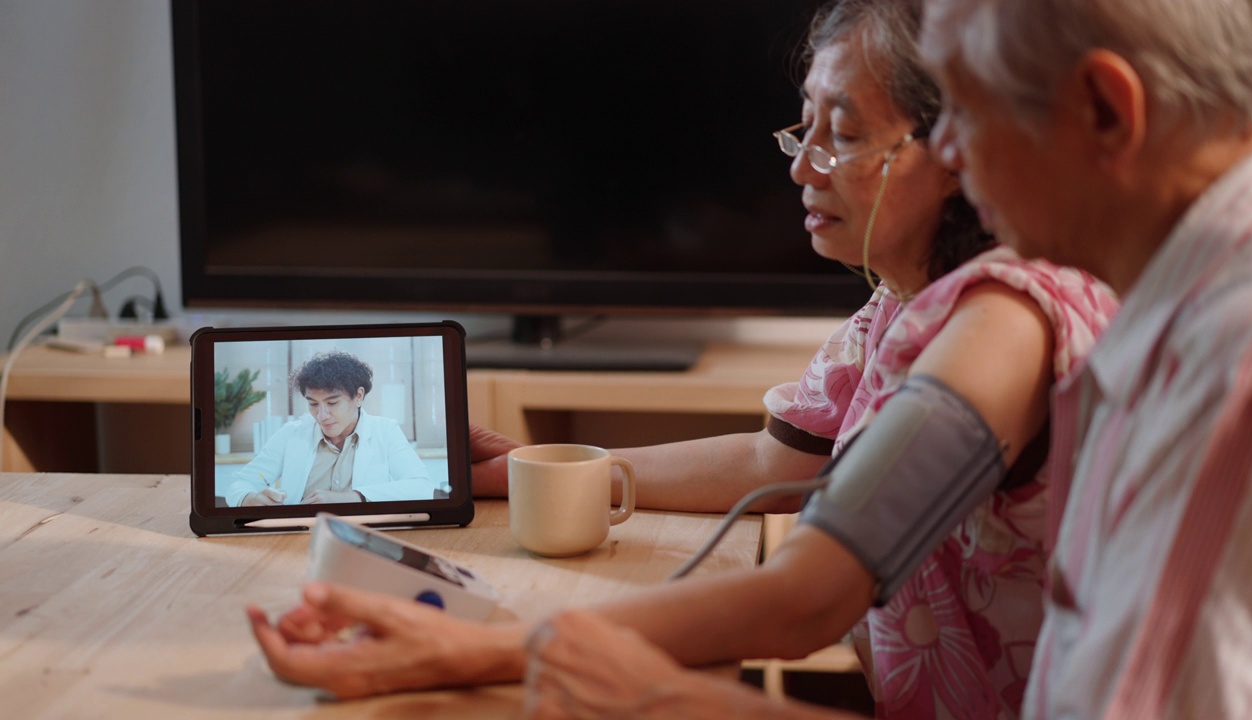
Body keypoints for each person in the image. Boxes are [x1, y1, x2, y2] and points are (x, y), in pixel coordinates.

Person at [245, 1, 1115, 717]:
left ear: (959, 145)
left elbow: (810, 596)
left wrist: (469, 646)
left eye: (843, 134)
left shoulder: (1001, 325)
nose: (803, 168)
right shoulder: (901, 303)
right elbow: (776, 458)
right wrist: (521, 470)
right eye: (802, 127)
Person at [914, 0, 1252, 717]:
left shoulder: (1236, 373)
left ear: (1105, 111)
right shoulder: (1180, 307)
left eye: (965, 107)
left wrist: (659, 695)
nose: (943, 149)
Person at [224, 350, 449, 507]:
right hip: (299, 536)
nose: (322, 415)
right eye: (313, 404)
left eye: (332, 403)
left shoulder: (385, 431)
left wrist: (352, 497)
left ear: (358, 396)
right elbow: (240, 483)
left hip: (365, 538)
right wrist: (248, 498)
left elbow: (421, 487)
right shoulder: (290, 434)